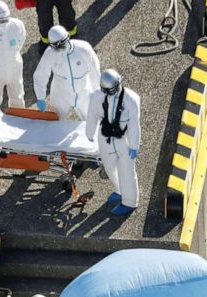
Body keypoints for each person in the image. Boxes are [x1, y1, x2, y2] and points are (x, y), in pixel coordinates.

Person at [85, 69, 141, 216]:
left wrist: (134, 146)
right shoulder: (97, 97)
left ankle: (129, 202)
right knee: (110, 168)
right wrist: (89, 133)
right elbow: (92, 115)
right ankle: (119, 189)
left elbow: (135, 125)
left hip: (125, 141)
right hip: (105, 138)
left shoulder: (130, 99)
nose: (110, 94)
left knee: (127, 172)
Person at [34, 26, 100, 120]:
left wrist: (97, 93)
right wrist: (40, 97)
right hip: (60, 93)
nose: (60, 48)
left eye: (62, 45)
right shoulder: (49, 53)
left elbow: (95, 72)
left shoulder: (83, 49)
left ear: (68, 37)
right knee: (55, 120)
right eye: (56, 47)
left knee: (91, 120)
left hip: (83, 91)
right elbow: (40, 75)